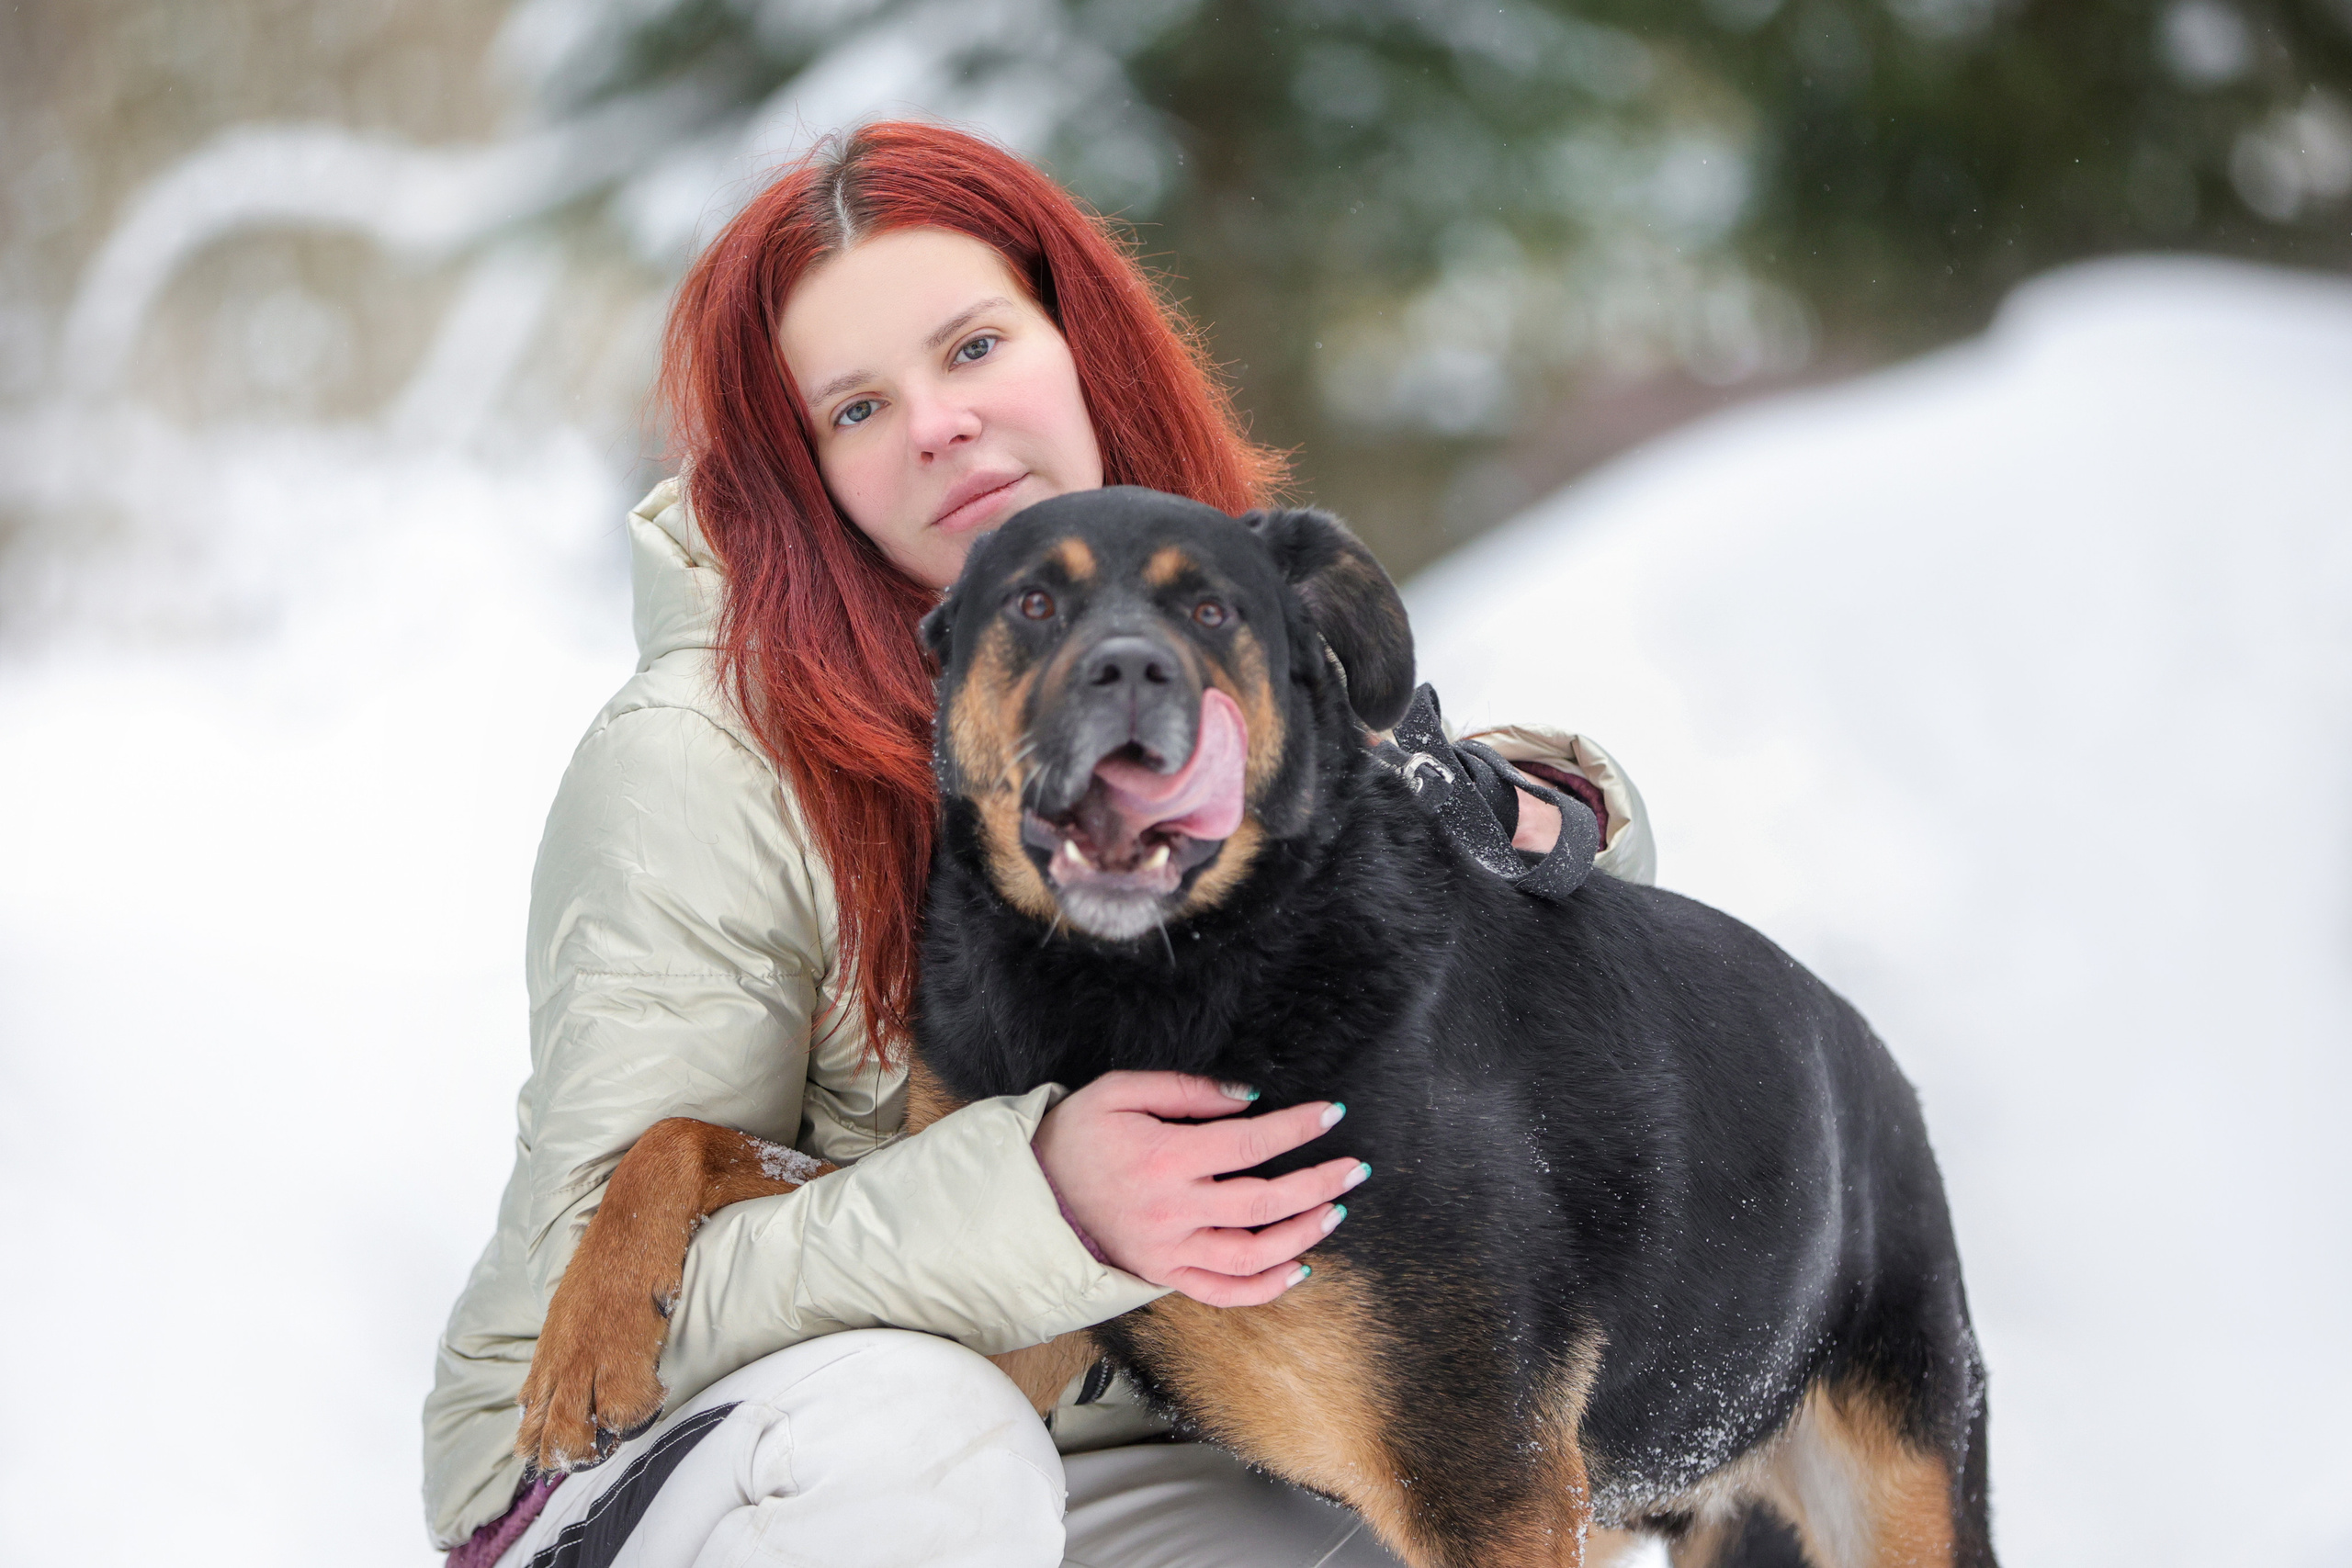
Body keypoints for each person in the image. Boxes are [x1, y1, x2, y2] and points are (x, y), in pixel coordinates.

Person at [423, 120, 1656, 1568]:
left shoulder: (1220, 619)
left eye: (970, 349)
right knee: (927, 1440)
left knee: (1463, 1474)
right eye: (857, 410)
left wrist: (1535, 814)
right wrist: (1045, 1197)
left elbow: (1535, 1031)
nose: (938, 424)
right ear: (801, 472)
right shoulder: (702, 755)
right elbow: (603, 1290)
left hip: (1101, 1441)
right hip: (679, 1471)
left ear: (1080, 347)